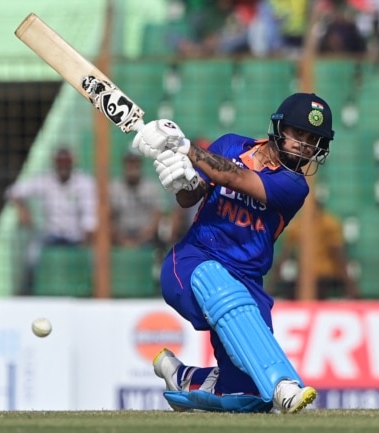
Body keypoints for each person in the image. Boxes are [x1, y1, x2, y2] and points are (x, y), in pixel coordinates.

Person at [131, 92, 335, 413]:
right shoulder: (230, 145)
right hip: (192, 262)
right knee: (217, 280)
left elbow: (233, 176)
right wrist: (182, 181)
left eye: (313, 140)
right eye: (300, 134)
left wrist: (183, 146)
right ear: (279, 128)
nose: (305, 145)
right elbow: (190, 198)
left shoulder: (294, 186)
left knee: (249, 398)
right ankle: (284, 385)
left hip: (247, 284)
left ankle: (182, 375)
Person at [5, 147, 97, 295]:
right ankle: (27, 292)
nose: (63, 166)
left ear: (72, 164)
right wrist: (22, 208)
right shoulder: (45, 180)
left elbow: (90, 216)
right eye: (60, 163)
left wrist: (87, 236)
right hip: (51, 234)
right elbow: (12, 191)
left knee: (93, 259)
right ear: (55, 164)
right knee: (31, 255)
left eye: (66, 163)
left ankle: (92, 292)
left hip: (77, 236)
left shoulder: (84, 182)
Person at [267, 196, 360, 300]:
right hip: (304, 277)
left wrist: (350, 285)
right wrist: (271, 285)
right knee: (291, 290)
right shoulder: (298, 225)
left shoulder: (328, 224)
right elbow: (284, 256)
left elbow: (338, 255)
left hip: (326, 276)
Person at [109, 149, 163, 248]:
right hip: (119, 240)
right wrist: (123, 240)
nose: (132, 166)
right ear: (124, 164)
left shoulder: (151, 188)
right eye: (130, 162)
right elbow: (109, 219)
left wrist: (139, 240)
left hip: (146, 240)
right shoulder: (114, 188)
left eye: (135, 162)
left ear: (140, 164)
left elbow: (157, 217)